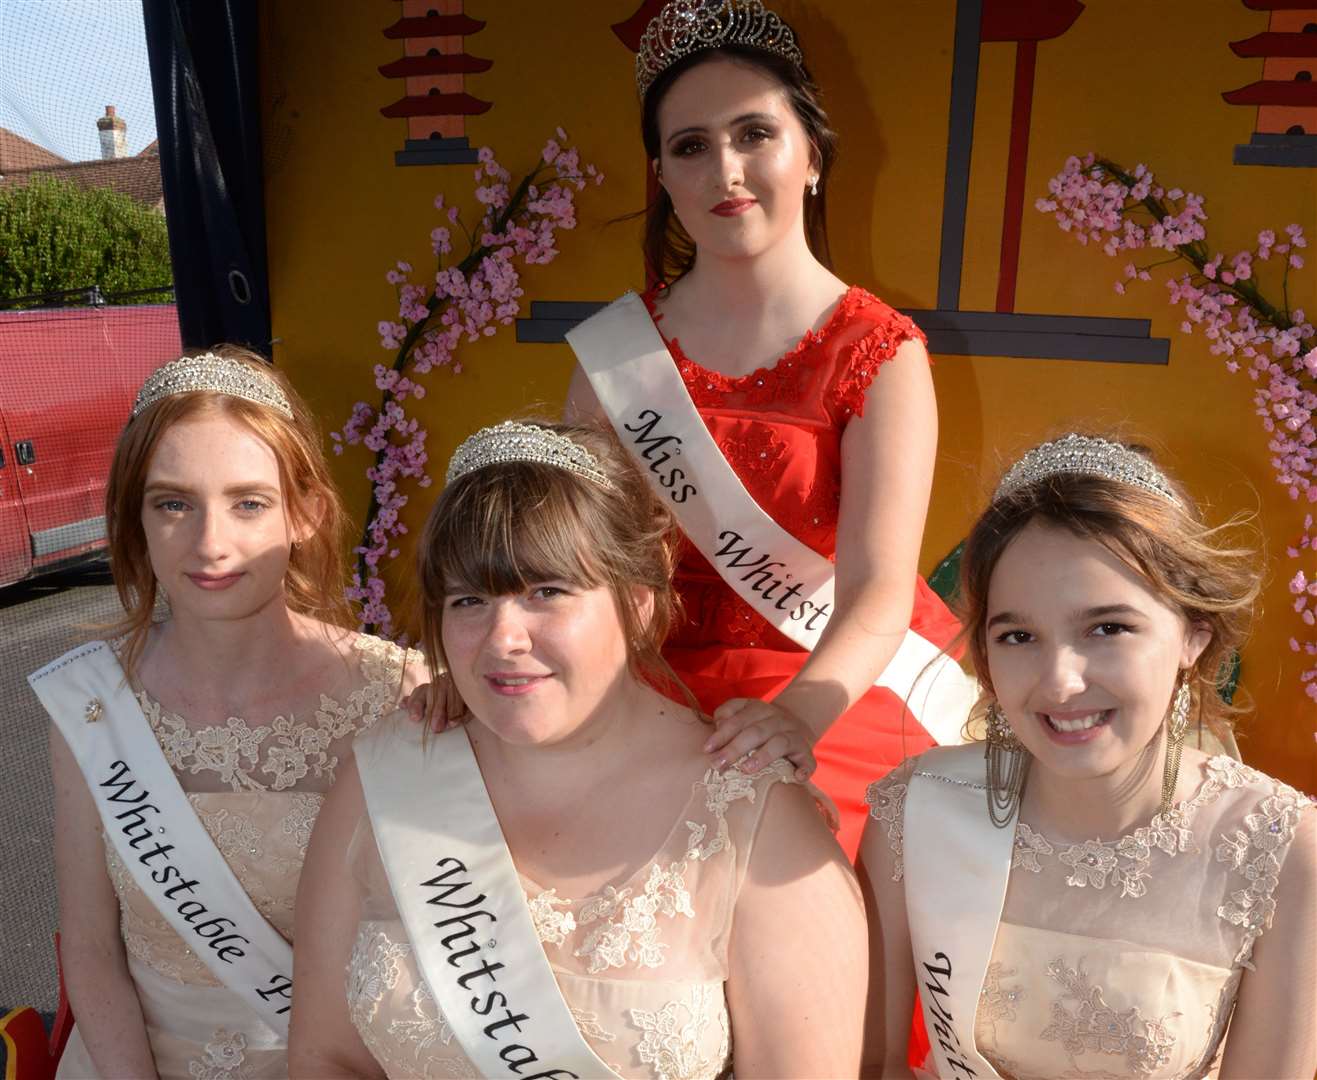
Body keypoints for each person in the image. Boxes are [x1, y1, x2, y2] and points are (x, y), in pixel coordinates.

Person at [289, 419, 866, 1080]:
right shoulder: (385, 775)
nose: (503, 638)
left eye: (546, 593)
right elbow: (326, 1057)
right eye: (470, 599)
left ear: (639, 605)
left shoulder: (755, 815)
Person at [556, 0, 976, 862]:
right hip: (647, 684)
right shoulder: (613, 359)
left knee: (801, 852)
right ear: (662, 176)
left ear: (811, 156)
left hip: (833, 678)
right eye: (691, 146)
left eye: (754, 134)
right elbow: (572, 562)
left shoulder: (878, 353)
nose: (726, 170)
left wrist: (798, 719)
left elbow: (874, 595)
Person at [859, 433, 1317, 1079]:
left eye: (1106, 628)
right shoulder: (915, 812)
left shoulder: (1277, 845)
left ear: (1193, 633)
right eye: (1018, 635)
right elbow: (867, 1066)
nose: (1058, 681)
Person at [33, 348, 422, 1079]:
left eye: (248, 502)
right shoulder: (89, 705)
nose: (210, 544)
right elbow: (89, 946)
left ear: (305, 512)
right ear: (134, 518)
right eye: (173, 503)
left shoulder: (396, 691)